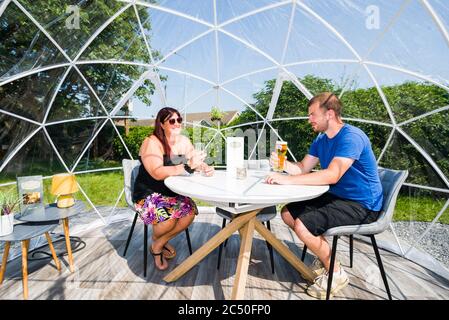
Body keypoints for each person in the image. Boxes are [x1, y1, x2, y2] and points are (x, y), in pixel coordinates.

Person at [265, 92, 383, 299]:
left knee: (303, 224)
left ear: (329, 114)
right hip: (337, 196)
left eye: (312, 114)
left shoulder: (351, 136)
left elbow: (333, 174)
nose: (309, 119)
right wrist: (283, 166)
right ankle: (324, 255)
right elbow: (302, 167)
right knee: (288, 213)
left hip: (363, 205)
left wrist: (287, 180)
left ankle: (336, 272)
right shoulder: (321, 139)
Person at [132, 107, 214, 271]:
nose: (176, 123)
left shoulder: (183, 141)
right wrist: (187, 167)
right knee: (168, 219)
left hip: (172, 192)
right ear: (161, 124)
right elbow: (156, 173)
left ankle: (158, 244)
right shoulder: (152, 142)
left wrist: (204, 166)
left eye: (179, 120)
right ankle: (159, 243)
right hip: (149, 193)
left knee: (189, 214)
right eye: (171, 121)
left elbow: (193, 160)